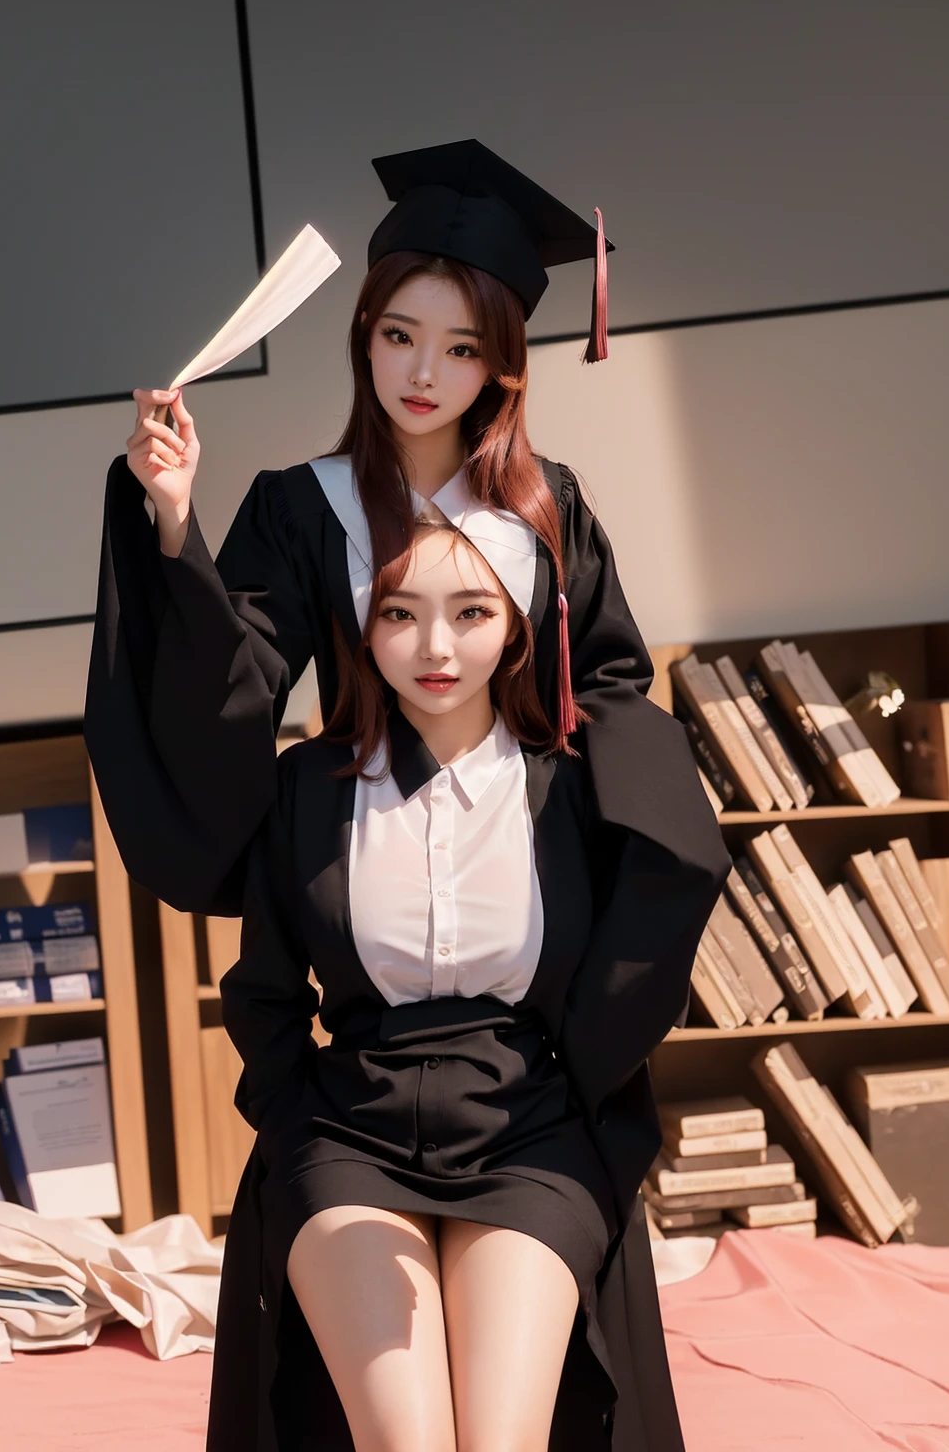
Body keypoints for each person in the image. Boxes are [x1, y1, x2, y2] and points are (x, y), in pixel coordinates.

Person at [85, 139, 729, 1448]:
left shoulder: (550, 517)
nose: (422, 374)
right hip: (365, 938)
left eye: (458, 347)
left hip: (514, 1041)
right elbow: (232, 678)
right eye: (396, 336)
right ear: (363, 340)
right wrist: (171, 517)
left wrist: (569, 810)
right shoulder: (301, 508)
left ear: (500, 364)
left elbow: (608, 682)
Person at [211, 516, 725, 1452]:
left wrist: (589, 1104)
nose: (436, 646)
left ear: (521, 622)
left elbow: (646, 944)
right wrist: (292, 1126)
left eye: (471, 610)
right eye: (399, 613)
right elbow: (266, 993)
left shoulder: (574, 785)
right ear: (361, 628)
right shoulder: (307, 789)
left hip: (527, 1128)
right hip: (348, 1133)